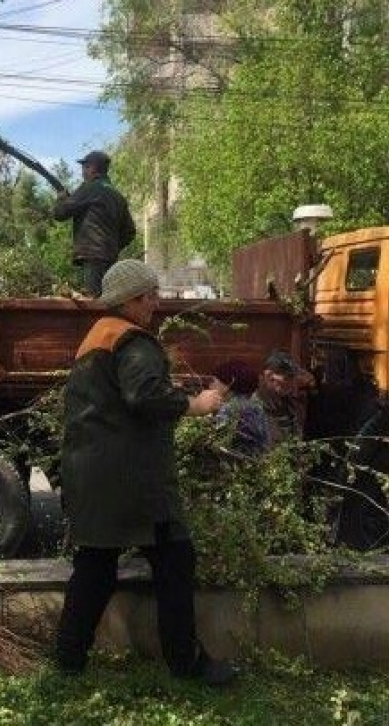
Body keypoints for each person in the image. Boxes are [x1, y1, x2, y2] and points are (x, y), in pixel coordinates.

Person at [55, 259, 237, 686]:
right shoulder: (133, 341)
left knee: (95, 568)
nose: (155, 303)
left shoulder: (98, 336)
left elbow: (122, 399)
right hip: (133, 482)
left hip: (92, 473)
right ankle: (186, 663)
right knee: (176, 560)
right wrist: (197, 404)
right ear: (130, 300)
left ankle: (68, 660)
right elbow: (145, 395)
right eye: (149, 295)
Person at [54, 150, 136, 297]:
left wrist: (61, 198)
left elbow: (60, 213)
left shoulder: (89, 188)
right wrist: (112, 247)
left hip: (93, 257)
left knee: (94, 300)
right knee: (108, 298)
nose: (82, 172)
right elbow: (130, 232)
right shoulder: (118, 196)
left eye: (84, 168)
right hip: (111, 258)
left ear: (92, 168)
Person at [210, 358, 272, 457]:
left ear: (230, 382)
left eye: (214, 381)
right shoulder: (257, 407)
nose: (211, 386)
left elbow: (214, 443)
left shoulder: (229, 409)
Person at [252, 350, 313, 446]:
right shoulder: (252, 409)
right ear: (269, 376)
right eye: (287, 378)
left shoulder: (291, 405)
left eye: (292, 378)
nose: (291, 383)